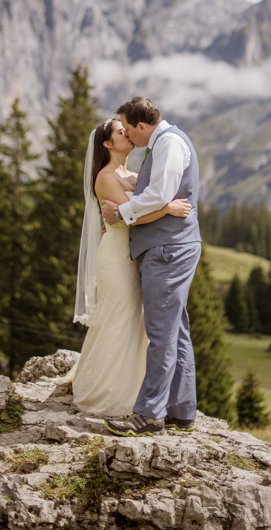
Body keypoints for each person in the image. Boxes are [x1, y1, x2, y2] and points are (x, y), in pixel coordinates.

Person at [71, 117, 191, 418]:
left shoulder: (134, 175)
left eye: (126, 130)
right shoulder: (105, 177)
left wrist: (143, 209)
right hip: (116, 258)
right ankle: (103, 391)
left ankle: (130, 389)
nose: (126, 134)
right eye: (119, 132)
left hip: (135, 255)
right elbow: (130, 218)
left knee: (135, 321)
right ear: (107, 144)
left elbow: (131, 210)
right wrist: (168, 208)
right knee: (117, 315)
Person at [100, 97, 201, 437]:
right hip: (170, 247)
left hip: (168, 249)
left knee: (161, 334)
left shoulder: (169, 144)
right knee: (175, 329)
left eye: (128, 129)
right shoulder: (162, 144)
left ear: (142, 126)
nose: (128, 135)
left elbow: (159, 195)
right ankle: (181, 411)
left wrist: (121, 213)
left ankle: (149, 414)